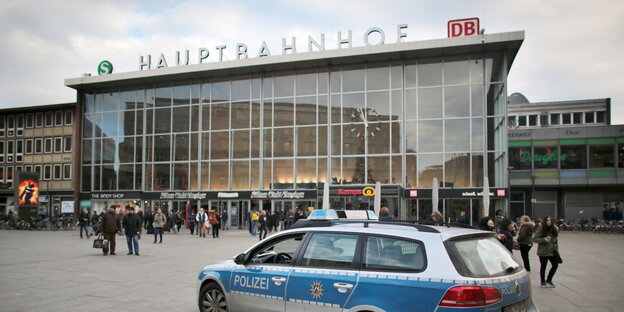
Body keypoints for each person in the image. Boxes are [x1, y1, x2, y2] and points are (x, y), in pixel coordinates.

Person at [533, 216, 560, 288]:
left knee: (555, 265)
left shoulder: (553, 228)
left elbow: (555, 239)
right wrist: (544, 239)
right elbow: (535, 239)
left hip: (552, 251)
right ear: (545, 221)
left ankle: (549, 280)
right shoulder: (541, 228)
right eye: (547, 220)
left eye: (550, 220)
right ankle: (542, 282)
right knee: (543, 266)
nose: (549, 221)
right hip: (543, 251)